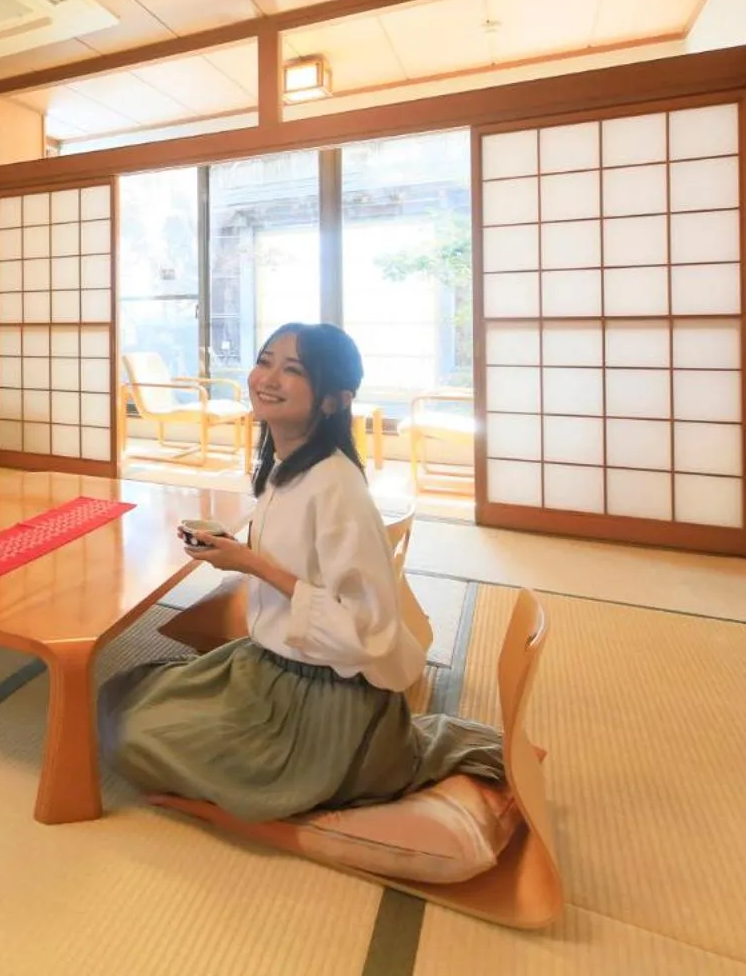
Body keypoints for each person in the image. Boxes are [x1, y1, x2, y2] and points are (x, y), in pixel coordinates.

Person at [100, 322, 503, 822]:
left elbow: (363, 629)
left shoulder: (336, 486)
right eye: (265, 360)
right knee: (128, 691)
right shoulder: (285, 464)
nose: (267, 377)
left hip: (326, 700)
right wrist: (236, 548)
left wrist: (251, 564)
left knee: (136, 735)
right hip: (272, 666)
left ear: (333, 400)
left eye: (292, 369)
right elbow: (294, 557)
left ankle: (328, 774)